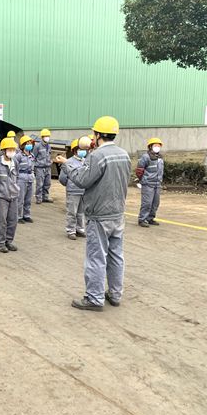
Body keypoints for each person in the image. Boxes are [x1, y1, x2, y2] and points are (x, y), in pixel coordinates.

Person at [54, 116, 131, 311]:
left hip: (99, 215)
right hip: (117, 213)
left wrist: (66, 164)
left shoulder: (97, 156)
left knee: (96, 257)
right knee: (116, 256)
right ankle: (115, 294)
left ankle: (95, 298)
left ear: (98, 135)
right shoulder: (124, 155)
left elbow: (82, 180)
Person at [0, 138, 20, 253]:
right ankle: (0, 243)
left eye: (13, 150)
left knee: (13, 221)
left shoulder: (15, 162)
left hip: (14, 196)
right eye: (9, 149)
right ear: (4, 150)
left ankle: (8, 241)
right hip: (1, 197)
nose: (12, 152)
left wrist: (16, 189)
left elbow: (17, 177)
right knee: (1, 221)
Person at [58, 138, 87, 239]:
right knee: (72, 212)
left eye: (83, 149)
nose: (83, 151)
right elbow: (62, 178)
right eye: (80, 149)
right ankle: (71, 231)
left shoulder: (86, 161)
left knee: (81, 212)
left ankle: (80, 229)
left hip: (83, 191)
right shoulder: (68, 162)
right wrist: (70, 185)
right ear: (75, 150)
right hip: (73, 191)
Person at [136, 138, 164, 228]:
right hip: (148, 184)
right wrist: (143, 179)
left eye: (158, 146)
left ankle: (150, 218)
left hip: (157, 184)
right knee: (147, 203)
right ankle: (142, 219)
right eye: (155, 145)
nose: (157, 147)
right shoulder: (145, 157)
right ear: (150, 146)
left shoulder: (160, 157)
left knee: (155, 203)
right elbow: (139, 170)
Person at [14, 135, 35, 223]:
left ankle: (26, 215)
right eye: (27, 143)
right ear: (23, 145)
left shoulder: (32, 155)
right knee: (20, 199)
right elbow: (14, 168)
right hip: (21, 179)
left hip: (30, 178)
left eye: (30, 143)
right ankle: (18, 217)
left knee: (28, 199)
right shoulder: (18, 156)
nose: (30, 145)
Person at [33, 128, 53, 204]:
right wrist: (35, 167)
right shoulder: (37, 146)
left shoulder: (49, 146)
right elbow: (33, 157)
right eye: (46, 136)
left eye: (48, 136)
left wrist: (50, 162)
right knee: (40, 184)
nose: (47, 137)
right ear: (42, 137)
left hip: (48, 167)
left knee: (47, 183)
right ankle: (38, 198)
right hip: (40, 168)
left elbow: (49, 156)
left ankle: (45, 197)